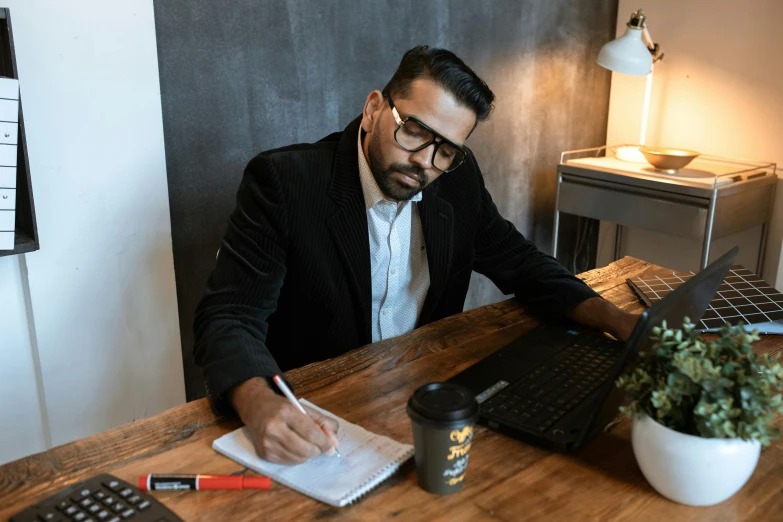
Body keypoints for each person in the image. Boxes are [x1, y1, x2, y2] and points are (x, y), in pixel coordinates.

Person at [193, 46, 638, 465]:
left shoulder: (455, 179)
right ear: (373, 110)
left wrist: (617, 320)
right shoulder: (285, 183)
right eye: (414, 131)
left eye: (445, 149)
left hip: (424, 406)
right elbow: (229, 315)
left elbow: (518, 260)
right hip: (320, 421)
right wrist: (258, 403)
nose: (424, 161)